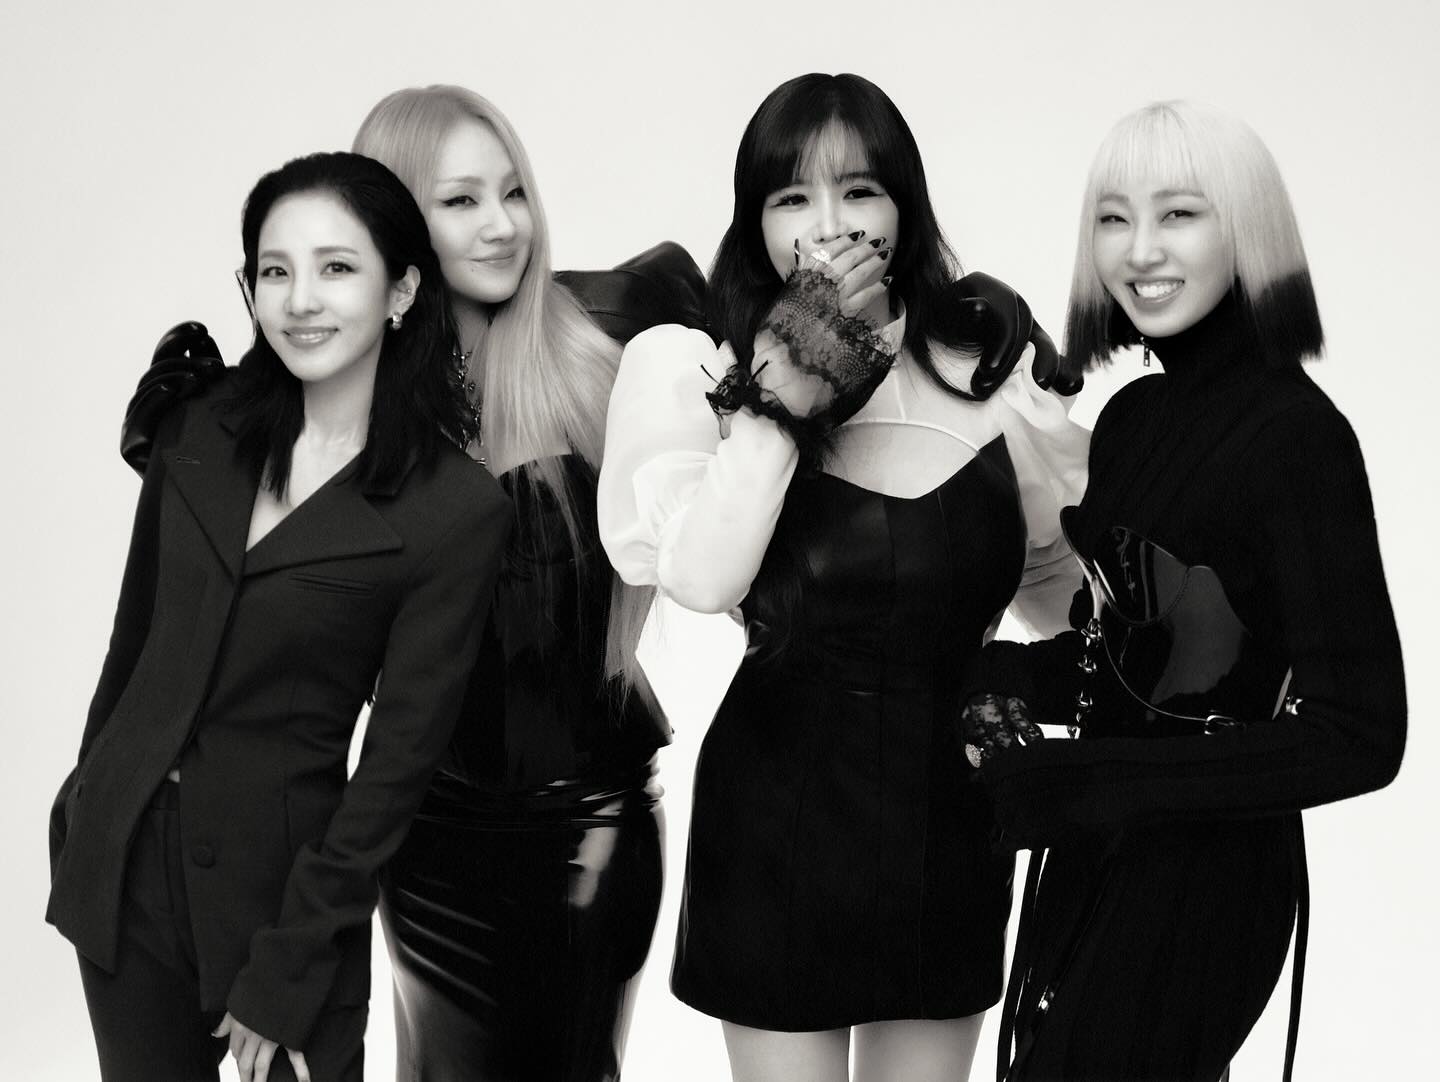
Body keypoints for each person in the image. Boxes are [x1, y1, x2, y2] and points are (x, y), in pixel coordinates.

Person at [597, 72, 1089, 1082]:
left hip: (950, 823)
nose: (829, 225)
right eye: (792, 197)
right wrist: (782, 393)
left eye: (860, 190)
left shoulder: (981, 365)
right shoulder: (705, 366)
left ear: (905, 205)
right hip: (777, 824)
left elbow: (1059, 592)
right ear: (755, 220)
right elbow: (700, 577)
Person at [46, 151, 511, 1082]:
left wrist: (293, 962)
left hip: (287, 899)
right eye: (275, 270)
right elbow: (132, 646)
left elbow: (395, 771)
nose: (301, 300)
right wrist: (86, 816)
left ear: (401, 290)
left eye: (336, 267)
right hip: (126, 878)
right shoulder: (194, 428)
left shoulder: (453, 509)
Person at [969, 100, 1407, 1082]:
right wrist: (995, 672)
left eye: (1178, 213)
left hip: (1213, 883)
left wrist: (1088, 784)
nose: (1140, 249)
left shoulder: (1298, 437)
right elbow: (1128, 661)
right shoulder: (1132, 417)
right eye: (1113, 218)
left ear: (1246, 227)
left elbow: (1363, 732)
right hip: (1096, 851)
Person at [353, 85, 705, 1082]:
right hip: (421, 843)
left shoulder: (615, 323)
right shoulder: (355, 401)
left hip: (583, 829)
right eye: (461, 200)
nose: (504, 223)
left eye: (513, 191)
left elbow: (783, 340)